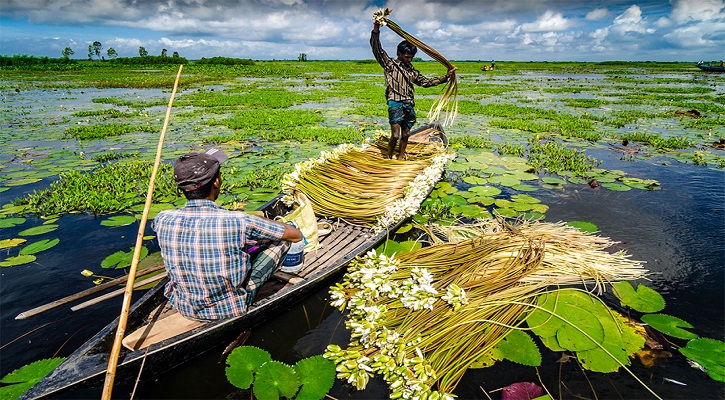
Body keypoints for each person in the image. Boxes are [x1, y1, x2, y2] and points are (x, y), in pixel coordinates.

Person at [152, 148, 303, 321]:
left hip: (184, 307)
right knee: (282, 241)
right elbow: (295, 235)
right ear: (216, 182)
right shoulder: (239, 221)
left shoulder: (162, 218)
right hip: (229, 309)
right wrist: (263, 222)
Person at [371, 21, 456, 160]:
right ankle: (388, 157)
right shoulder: (390, 65)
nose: (409, 60)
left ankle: (400, 156)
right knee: (395, 135)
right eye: (406, 57)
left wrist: (446, 77)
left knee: (406, 134)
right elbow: (377, 49)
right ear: (399, 54)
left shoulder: (412, 71)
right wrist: (376, 29)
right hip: (395, 102)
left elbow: (425, 82)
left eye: (411, 57)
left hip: (408, 103)